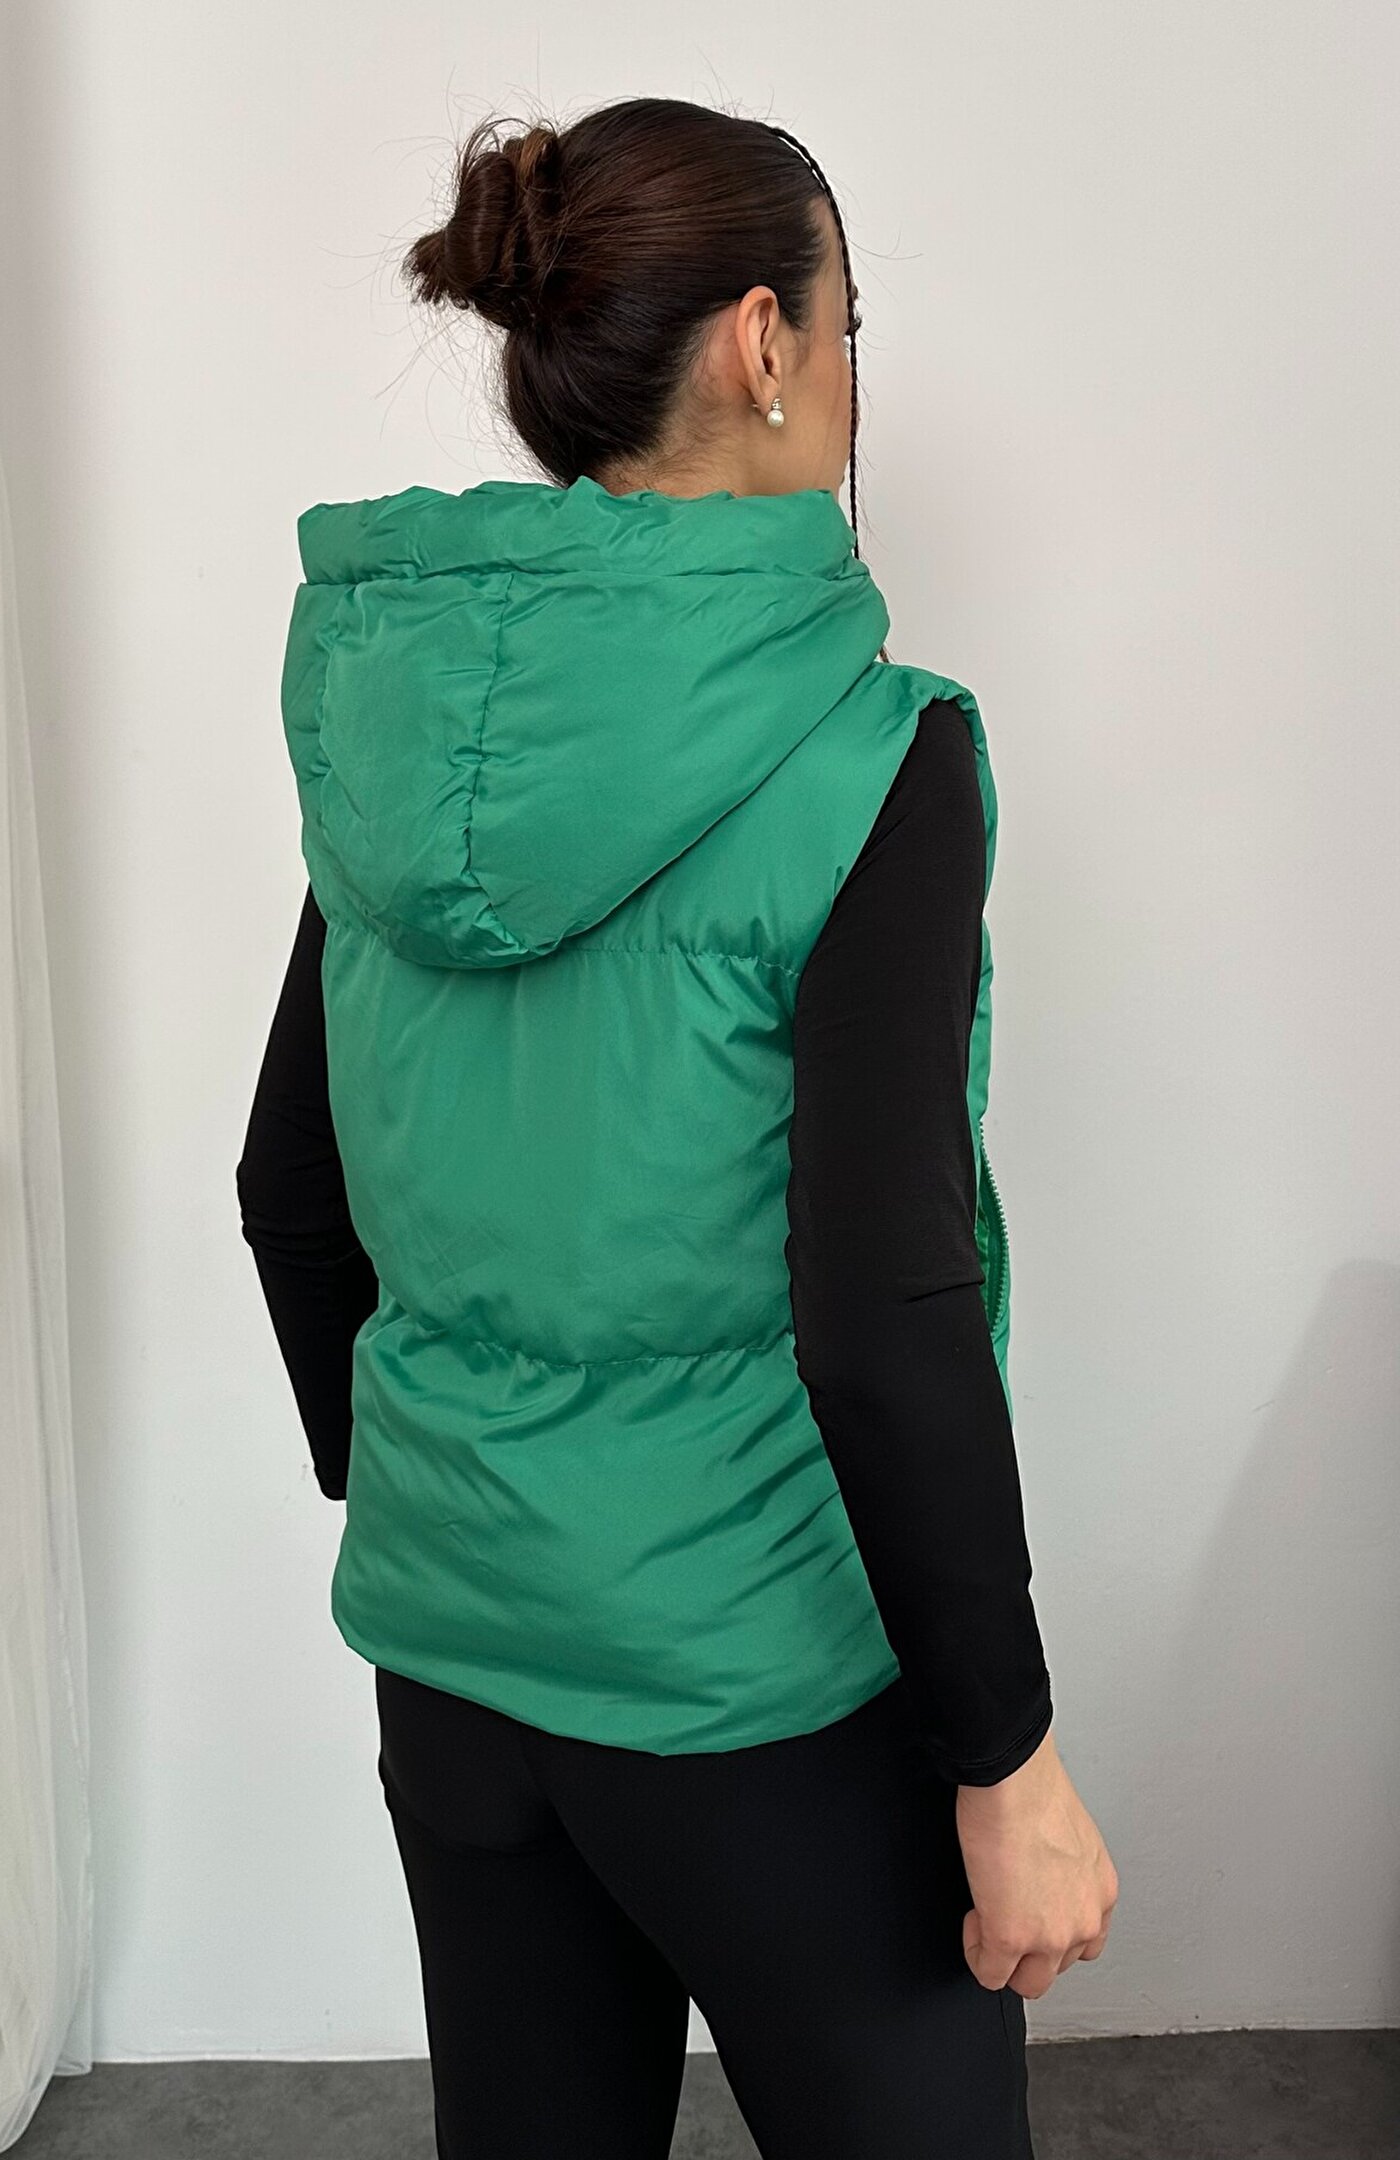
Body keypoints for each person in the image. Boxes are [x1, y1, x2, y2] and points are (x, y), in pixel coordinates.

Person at [236, 95, 1118, 2160]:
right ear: (763, 341)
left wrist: (466, 1503)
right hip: (759, 1688)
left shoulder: (394, 713)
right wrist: (1007, 1758)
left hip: (457, 1665)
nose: (856, 368)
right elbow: (884, 1315)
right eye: (848, 319)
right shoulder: (872, 748)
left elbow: (288, 1190)